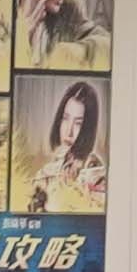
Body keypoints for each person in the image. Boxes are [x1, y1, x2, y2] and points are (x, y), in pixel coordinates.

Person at [18, 77, 107, 213]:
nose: (68, 131)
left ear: (88, 127)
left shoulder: (94, 171)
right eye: (65, 118)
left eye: (78, 123)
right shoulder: (51, 168)